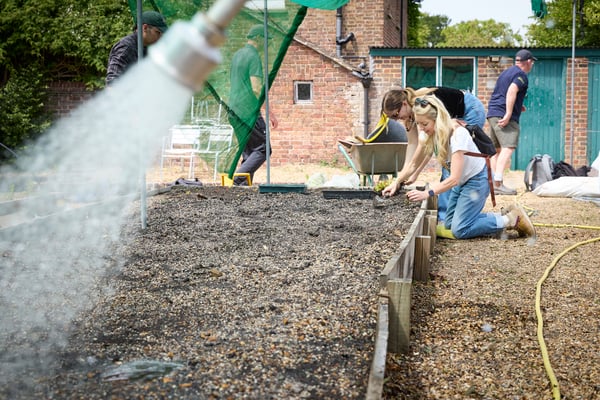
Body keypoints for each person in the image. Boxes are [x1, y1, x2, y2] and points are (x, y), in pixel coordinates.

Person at [382, 95, 535, 240]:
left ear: (438, 120)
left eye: (425, 124)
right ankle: (501, 217)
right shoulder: (433, 135)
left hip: (476, 181)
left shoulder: (457, 135)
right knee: (449, 224)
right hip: (462, 183)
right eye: (419, 124)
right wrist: (397, 182)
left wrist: (428, 193)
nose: (421, 129)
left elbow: (453, 178)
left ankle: (511, 220)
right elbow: (414, 163)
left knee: (459, 229)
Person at [380, 86, 486, 222]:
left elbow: (426, 147)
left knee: (451, 165)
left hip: (469, 109)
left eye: (395, 115)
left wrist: (407, 176)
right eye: (392, 118)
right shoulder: (412, 116)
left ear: (404, 104)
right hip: (454, 114)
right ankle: (453, 213)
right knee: (447, 161)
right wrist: (405, 176)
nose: (397, 119)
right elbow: (416, 146)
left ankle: (445, 216)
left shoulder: (426, 104)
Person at [228, 25, 278, 186]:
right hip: (248, 112)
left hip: (234, 110)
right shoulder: (253, 56)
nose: (267, 44)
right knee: (264, 148)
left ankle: (242, 189)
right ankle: (236, 179)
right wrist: (270, 112)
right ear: (258, 38)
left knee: (249, 150)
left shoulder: (237, 55)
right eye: (266, 40)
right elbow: (257, 89)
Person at [487, 49, 537, 195]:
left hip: (493, 113)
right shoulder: (521, 75)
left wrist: (516, 106)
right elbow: (511, 91)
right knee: (508, 147)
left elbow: (502, 92)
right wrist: (509, 113)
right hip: (503, 115)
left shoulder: (506, 72)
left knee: (495, 151)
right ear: (528, 62)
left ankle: (494, 183)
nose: (532, 64)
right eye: (532, 62)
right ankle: (497, 183)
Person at [106, 11, 168, 85]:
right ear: (145, 28)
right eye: (158, 32)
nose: (160, 37)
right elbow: (112, 83)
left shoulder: (145, 48)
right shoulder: (126, 47)